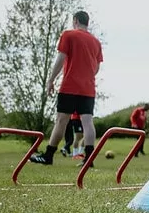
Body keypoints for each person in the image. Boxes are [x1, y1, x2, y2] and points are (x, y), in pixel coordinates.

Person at [30, 11, 103, 166]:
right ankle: (89, 160)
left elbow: (60, 58)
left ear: (75, 20)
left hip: (70, 86)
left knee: (61, 121)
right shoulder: (96, 42)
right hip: (88, 88)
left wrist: (51, 80)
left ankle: (48, 156)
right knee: (88, 122)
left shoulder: (68, 35)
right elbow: (96, 68)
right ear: (87, 22)